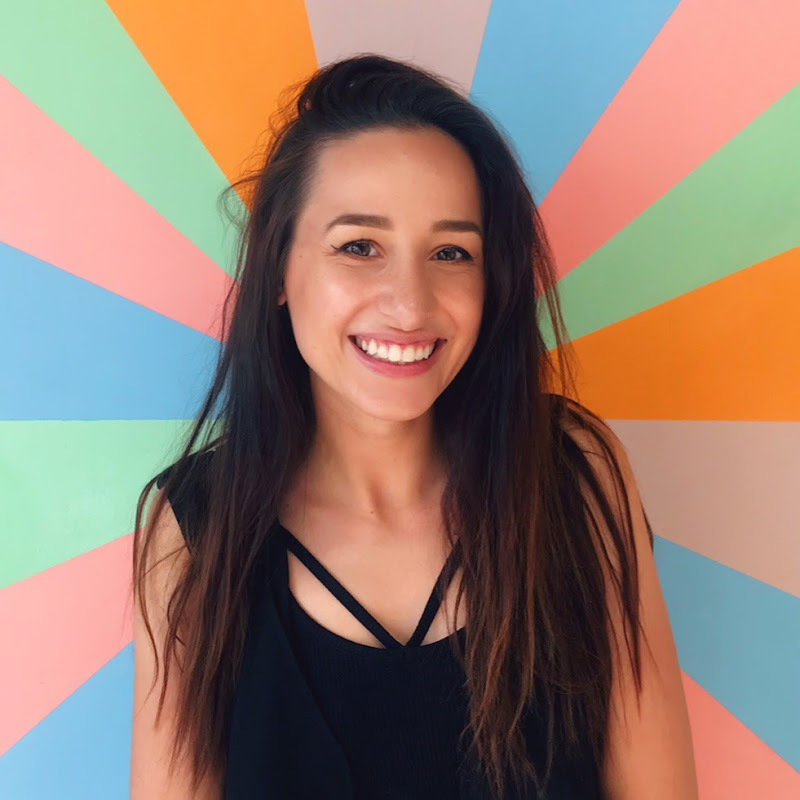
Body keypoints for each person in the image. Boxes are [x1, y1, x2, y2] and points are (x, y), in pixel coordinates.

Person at [129, 54, 698, 799]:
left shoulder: (574, 475)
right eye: (358, 246)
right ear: (277, 270)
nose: (409, 304)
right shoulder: (193, 532)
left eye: (451, 253)